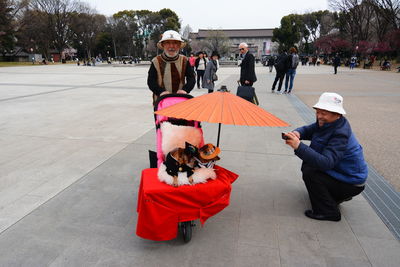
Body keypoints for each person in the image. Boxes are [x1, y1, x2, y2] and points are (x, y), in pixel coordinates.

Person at [283, 92, 368, 222]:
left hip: (351, 182)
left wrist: (299, 146)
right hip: (343, 175)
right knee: (310, 165)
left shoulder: (340, 134)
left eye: (324, 113)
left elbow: (326, 163)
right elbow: (310, 129)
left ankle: (328, 212)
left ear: (337, 114)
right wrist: (297, 133)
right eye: (318, 112)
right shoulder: (328, 123)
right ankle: (334, 197)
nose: (319, 116)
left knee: (310, 171)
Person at [147, 30, 195, 105]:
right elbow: (151, 81)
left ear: (179, 45)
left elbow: (191, 78)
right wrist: (161, 92)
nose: (171, 46)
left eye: (175, 43)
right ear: (163, 45)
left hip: (180, 100)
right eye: (167, 43)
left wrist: (185, 90)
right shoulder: (156, 61)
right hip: (161, 101)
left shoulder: (184, 60)